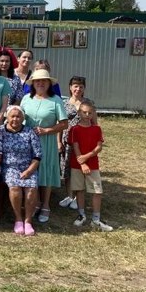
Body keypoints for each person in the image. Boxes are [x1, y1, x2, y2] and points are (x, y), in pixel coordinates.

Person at [20, 69, 68, 224]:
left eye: (44, 81)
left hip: (46, 141)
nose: (40, 83)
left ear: (49, 83)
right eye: (37, 81)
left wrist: (48, 130)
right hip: (28, 141)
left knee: (45, 171)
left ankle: (46, 205)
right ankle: (36, 203)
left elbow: (64, 124)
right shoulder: (26, 98)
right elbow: (19, 118)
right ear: (33, 83)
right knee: (33, 172)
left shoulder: (56, 101)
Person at [68, 101, 113, 231]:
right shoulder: (74, 129)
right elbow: (75, 147)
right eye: (84, 112)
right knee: (80, 190)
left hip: (93, 165)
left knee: (97, 191)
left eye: (90, 113)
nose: (87, 115)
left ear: (93, 113)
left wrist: (86, 158)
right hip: (77, 165)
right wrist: (82, 164)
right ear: (79, 113)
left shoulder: (97, 129)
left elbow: (99, 147)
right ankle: (81, 215)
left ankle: (96, 219)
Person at [0, 106, 41, 236]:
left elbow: (37, 155)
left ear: (23, 118)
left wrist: (29, 171)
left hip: (28, 167)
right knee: (15, 188)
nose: (15, 119)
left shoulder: (29, 132)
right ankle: (18, 219)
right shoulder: (0, 132)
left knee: (31, 189)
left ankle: (28, 221)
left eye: (18, 116)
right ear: (7, 117)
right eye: (12, 116)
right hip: (9, 167)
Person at [59, 76, 93, 211]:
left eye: (81, 86)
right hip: (67, 140)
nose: (78, 89)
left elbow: (94, 122)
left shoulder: (88, 103)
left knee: (80, 168)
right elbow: (60, 123)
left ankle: (78, 197)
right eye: (75, 86)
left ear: (84, 88)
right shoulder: (64, 103)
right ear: (70, 87)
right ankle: (69, 195)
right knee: (67, 168)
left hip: (83, 141)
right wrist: (58, 141)